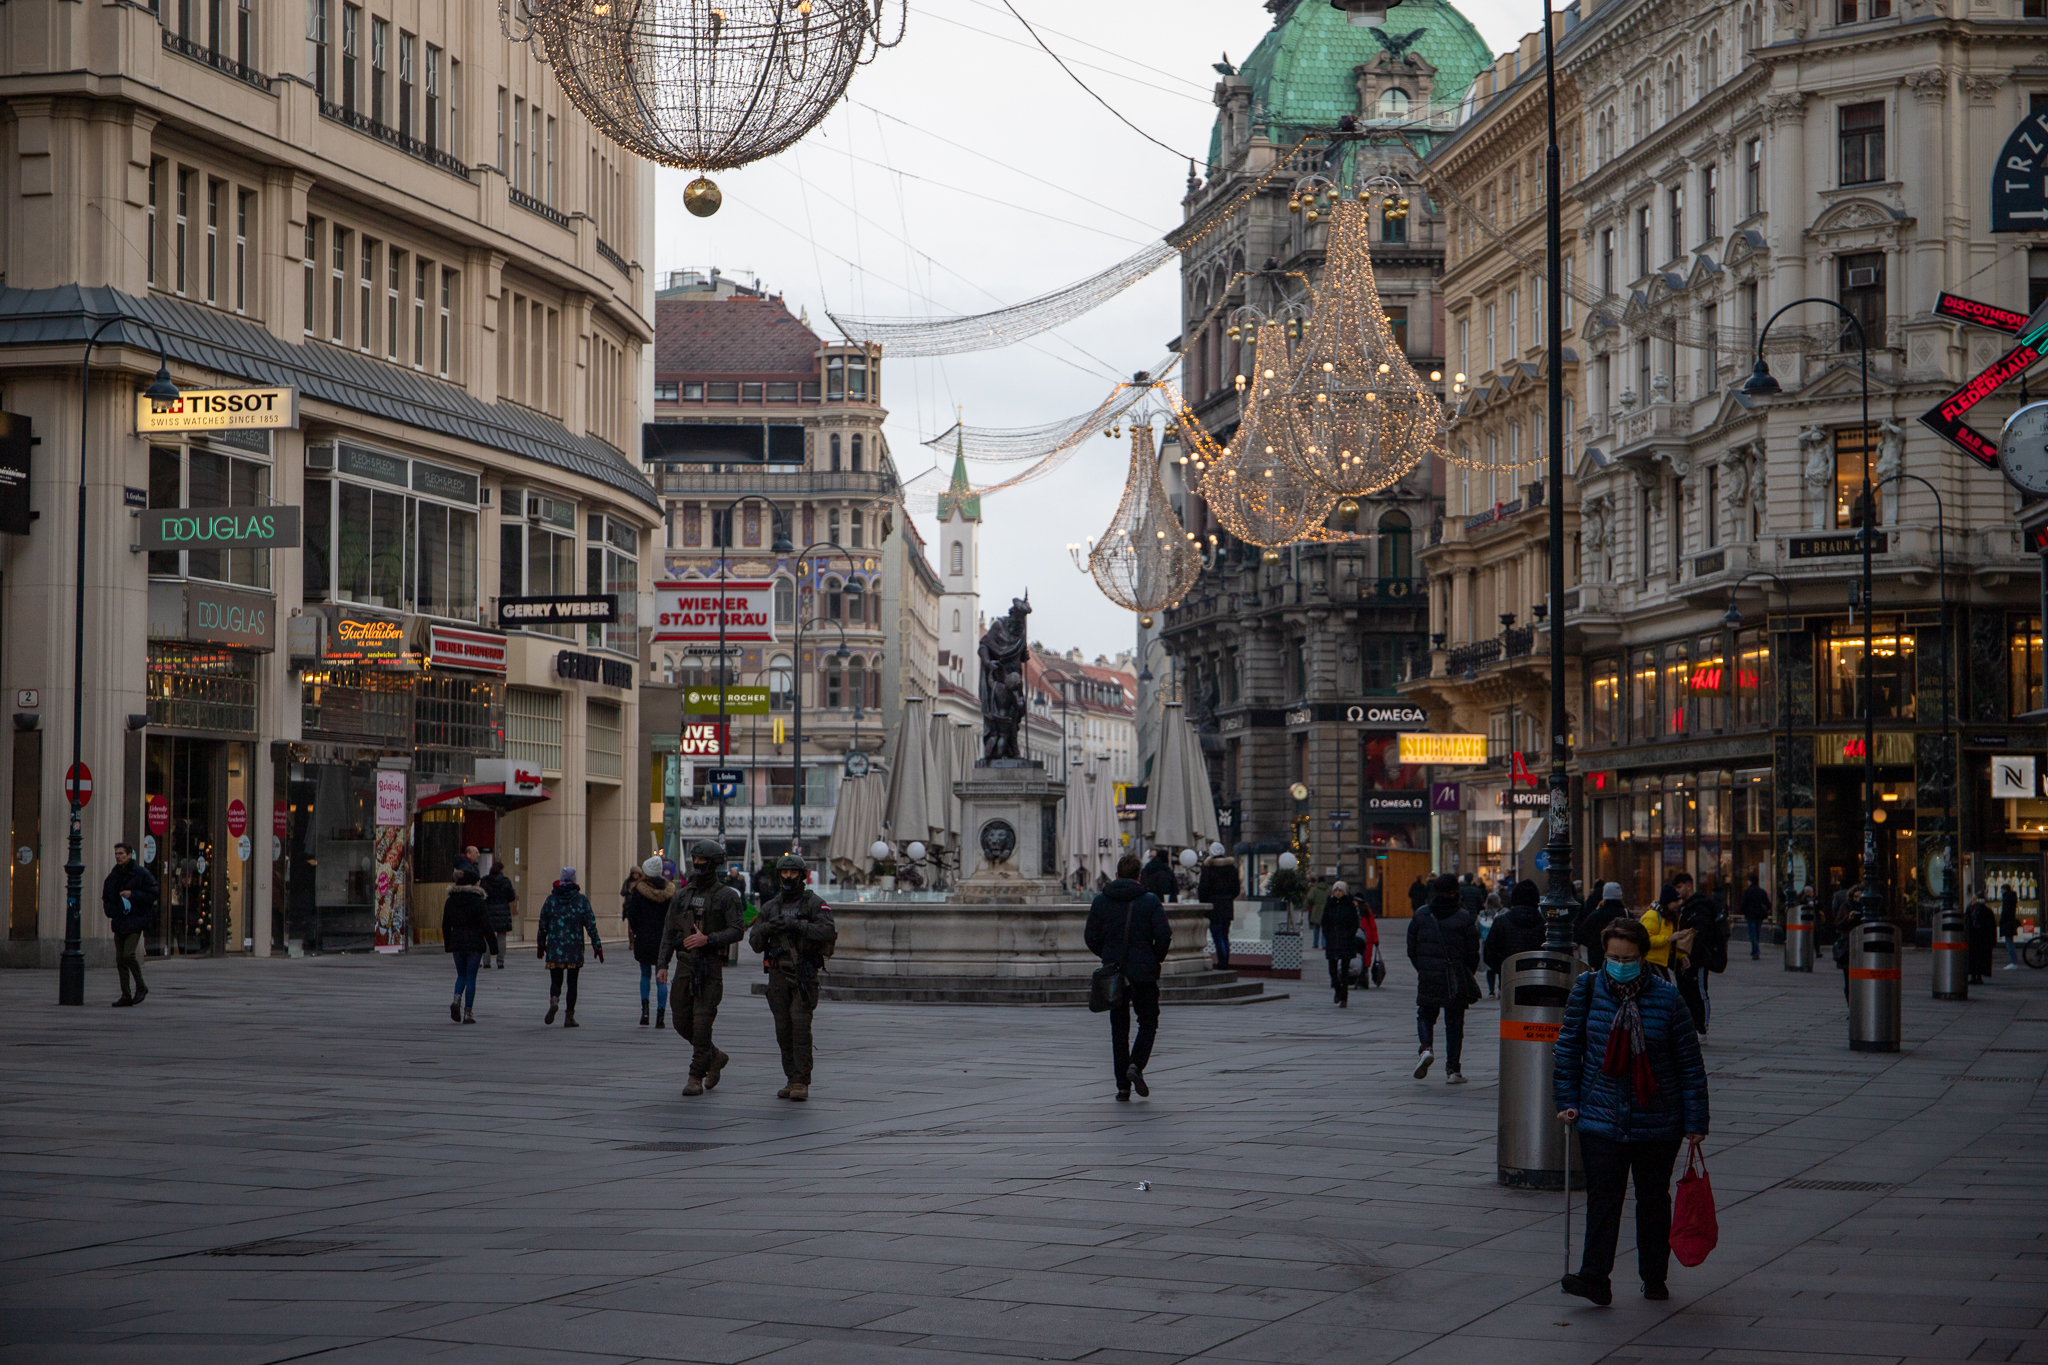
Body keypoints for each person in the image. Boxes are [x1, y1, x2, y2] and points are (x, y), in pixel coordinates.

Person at [1554, 916, 1710, 1306]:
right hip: (1599, 1115)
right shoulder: (1588, 989)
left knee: (1653, 1200)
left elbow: (1689, 1064)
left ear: (1643, 957)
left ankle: (1654, 1276)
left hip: (1657, 1120)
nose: (1619, 965)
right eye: (1612, 956)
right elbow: (1569, 1048)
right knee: (1603, 1198)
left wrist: (1696, 1121)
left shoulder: (1667, 999)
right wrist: (1567, 1101)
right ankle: (1594, 1278)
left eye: (1627, 957)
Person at [658, 841, 745, 1096]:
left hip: (710, 968)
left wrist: (709, 939)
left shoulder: (727, 896)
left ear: (715, 864)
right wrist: (662, 964)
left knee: (702, 1023)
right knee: (681, 1021)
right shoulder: (682, 895)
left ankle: (695, 1076)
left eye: (703, 861)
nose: (698, 865)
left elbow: (737, 929)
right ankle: (715, 1056)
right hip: (684, 967)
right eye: (695, 860)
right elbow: (669, 931)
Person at [1084, 852, 1173, 1100]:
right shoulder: (1150, 901)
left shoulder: (1101, 901)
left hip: (1115, 973)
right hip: (1143, 973)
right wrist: (1154, 958)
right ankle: (1136, 1065)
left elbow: (1090, 936)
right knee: (1148, 1021)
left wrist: (1107, 956)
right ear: (1138, 876)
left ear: (1116, 875)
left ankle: (1123, 1087)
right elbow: (1164, 935)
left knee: (1119, 1029)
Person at [749, 853, 838, 1101]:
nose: (788, 877)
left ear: (802, 875)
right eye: (784, 873)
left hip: (803, 975)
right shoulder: (770, 907)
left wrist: (798, 926)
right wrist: (768, 928)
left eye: (793, 873)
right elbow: (755, 943)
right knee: (783, 1030)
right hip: (777, 977)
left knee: (800, 1027)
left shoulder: (813, 903)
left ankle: (801, 1081)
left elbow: (828, 931)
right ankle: (790, 1078)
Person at [1409, 873, 1481, 1084]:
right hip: (1455, 976)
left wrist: (1422, 967)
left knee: (1425, 1014)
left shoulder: (1421, 915)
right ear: (1454, 892)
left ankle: (1426, 1048)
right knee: (1454, 1023)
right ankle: (1453, 1070)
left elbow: (1411, 947)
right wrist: (1466, 972)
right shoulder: (1464, 918)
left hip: (1428, 975)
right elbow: (1473, 952)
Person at [536, 868, 601, 1026]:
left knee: (556, 979)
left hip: (555, 947)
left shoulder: (551, 899)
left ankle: (554, 999)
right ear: (574, 880)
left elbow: (542, 923)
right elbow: (590, 924)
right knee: (573, 982)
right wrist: (597, 945)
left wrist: (541, 944)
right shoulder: (581, 900)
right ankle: (569, 1016)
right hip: (574, 947)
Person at [102, 842, 158, 1007]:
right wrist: (111, 910)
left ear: (129, 855)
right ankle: (125, 994)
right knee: (120, 959)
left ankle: (141, 986)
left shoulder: (141, 873)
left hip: (136, 919)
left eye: (121, 853)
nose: (118, 856)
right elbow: (107, 897)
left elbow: (152, 893)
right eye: (116, 854)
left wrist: (133, 894)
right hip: (120, 920)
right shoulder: (113, 876)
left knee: (128, 955)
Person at [1673, 874, 1726, 1039]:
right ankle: (1691, 1026)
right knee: (1687, 992)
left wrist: (1691, 950)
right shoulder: (1686, 907)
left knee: (1699, 992)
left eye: (1679, 887)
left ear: (1689, 886)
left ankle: (1702, 1027)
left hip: (1699, 957)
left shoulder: (1699, 906)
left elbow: (1701, 933)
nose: (1677, 891)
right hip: (1686, 957)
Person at [624, 856, 674, 1028]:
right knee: (662, 976)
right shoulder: (669, 892)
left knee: (645, 975)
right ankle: (661, 1016)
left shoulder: (639, 891)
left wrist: (638, 932)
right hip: (663, 940)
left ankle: (645, 1011)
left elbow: (633, 915)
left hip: (644, 938)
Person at [442, 869, 490, 1024]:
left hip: (457, 941)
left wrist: (448, 942)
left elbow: (445, 925)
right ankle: (468, 1012)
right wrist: (493, 946)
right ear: (473, 883)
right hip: (474, 942)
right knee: (471, 977)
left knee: (461, 975)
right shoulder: (478, 900)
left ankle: (456, 998)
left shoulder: (451, 900)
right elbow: (486, 925)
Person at [1484, 878, 1548, 985]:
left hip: (1509, 980)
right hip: (1536, 980)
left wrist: (1502, 970)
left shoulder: (1501, 921)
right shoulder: (1544, 925)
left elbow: (1489, 952)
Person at [1196, 843, 1240, 969]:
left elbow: (1203, 889)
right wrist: (1229, 898)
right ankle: (1225, 960)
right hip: (1227, 906)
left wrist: (1204, 902)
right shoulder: (1232, 869)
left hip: (1213, 907)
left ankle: (1222, 962)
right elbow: (1236, 889)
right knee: (1225, 935)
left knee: (1217, 935)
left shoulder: (1208, 869)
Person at [1320, 881, 1362, 1006]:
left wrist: (1348, 935)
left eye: (1340, 890)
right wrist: (1327, 935)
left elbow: (1354, 923)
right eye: (1336, 890)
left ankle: (1344, 997)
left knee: (1344, 971)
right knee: (1332, 970)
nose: (1337, 893)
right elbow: (1325, 921)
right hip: (1332, 940)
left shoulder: (1349, 905)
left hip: (1346, 942)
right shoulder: (1329, 904)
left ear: (1344, 892)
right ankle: (1338, 990)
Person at [480, 862, 516, 969]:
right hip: (502, 912)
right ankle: (500, 961)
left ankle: (486, 961)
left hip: (488, 911)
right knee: (501, 936)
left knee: (486, 936)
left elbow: (481, 896)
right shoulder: (505, 881)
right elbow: (511, 897)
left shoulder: (485, 881)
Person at [1576, 883, 1626, 957]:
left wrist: (1593, 945)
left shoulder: (1595, 915)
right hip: (1621, 955)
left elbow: (1582, 935)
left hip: (1598, 956)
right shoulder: (1625, 914)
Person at [1966, 891, 1998, 984]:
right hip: (1981, 939)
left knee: (1974, 958)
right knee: (1980, 958)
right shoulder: (1985, 911)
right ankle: (1977, 976)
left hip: (1975, 938)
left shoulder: (1972, 910)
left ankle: (1974, 976)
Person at [1740, 874, 1771, 961]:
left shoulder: (1747, 892)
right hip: (1759, 916)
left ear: (1750, 881)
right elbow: (1768, 904)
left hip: (1750, 915)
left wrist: (1744, 912)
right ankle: (1755, 950)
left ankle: (1756, 951)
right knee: (1756, 933)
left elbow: (1743, 904)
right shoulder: (1761, 892)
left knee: (1752, 934)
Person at [1305, 874, 1332, 950]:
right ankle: (1324, 944)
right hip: (1327, 909)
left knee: (1316, 928)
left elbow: (1309, 898)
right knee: (1325, 928)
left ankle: (1315, 943)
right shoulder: (1329, 889)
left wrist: (1312, 904)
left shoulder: (1314, 889)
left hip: (1316, 909)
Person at [2000, 882, 2022, 970]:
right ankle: (2014, 961)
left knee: (2009, 943)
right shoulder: (2011, 898)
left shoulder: (2007, 899)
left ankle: (2014, 962)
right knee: (2010, 942)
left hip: (2007, 923)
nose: (2001, 891)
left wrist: (2002, 921)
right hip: (2010, 922)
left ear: (2005, 889)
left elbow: (2005, 912)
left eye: (2002, 889)